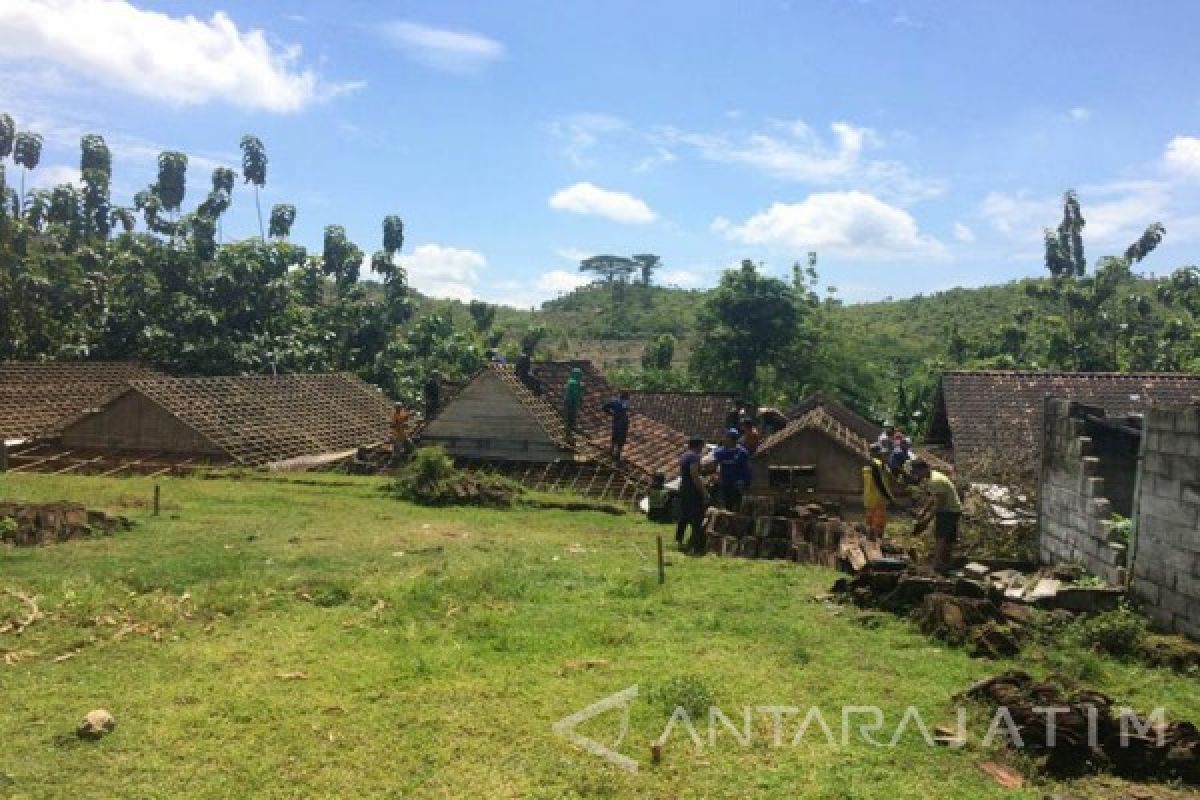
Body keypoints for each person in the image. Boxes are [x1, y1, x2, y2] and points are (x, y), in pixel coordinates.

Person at [910, 458, 963, 573]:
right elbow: (933, 497)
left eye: (917, 472)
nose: (917, 475)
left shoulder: (936, 480)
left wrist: (927, 520)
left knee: (941, 536)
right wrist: (923, 511)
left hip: (948, 510)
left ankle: (937, 563)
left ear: (923, 469)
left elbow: (940, 503)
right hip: (952, 509)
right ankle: (945, 560)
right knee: (948, 537)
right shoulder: (933, 477)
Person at [675, 436, 708, 554]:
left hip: (683, 488)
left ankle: (678, 540)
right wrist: (703, 491)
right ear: (698, 445)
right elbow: (694, 475)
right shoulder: (694, 456)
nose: (702, 448)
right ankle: (695, 545)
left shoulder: (684, 455)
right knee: (696, 517)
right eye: (702, 446)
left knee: (684, 515)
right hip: (692, 490)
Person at [862, 443, 896, 538]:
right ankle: (877, 545)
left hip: (868, 499)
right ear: (879, 453)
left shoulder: (866, 466)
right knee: (878, 524)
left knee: (870, 523)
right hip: (879, 499)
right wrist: (890, 497)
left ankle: (870, 541)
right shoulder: (879, 465)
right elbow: (881, 484)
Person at [712, 428, 751, 511]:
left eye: (727, 437)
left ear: (732, 439)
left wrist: (746, 483)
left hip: (737, 484)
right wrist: (716, 475)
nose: (725, 439)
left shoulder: (742, 453)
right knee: (727, 505)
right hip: (725, 483)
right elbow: (714, 464)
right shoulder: (720, 452)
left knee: (737, 506)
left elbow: (747, 469)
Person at [601, 390, 632, 463]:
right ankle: (617, 455)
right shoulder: (625, 403)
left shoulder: (615, 401)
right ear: (626, 397)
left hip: (616, 422)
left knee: (614, 437)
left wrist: (611, 413)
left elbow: (604, 407)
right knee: (621, 439)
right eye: (628, 397)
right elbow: (626, 409)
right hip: (623, 423)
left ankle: (611, 451)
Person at [563, 367, 584, 436]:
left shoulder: (570, 382)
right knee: (571, 416)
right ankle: (569, 429)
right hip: (571, 403)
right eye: (579, 375)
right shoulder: (574, 383)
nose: (580, 376)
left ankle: (569, 428)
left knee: (569, 416)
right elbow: (576, 394)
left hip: (569, 402)